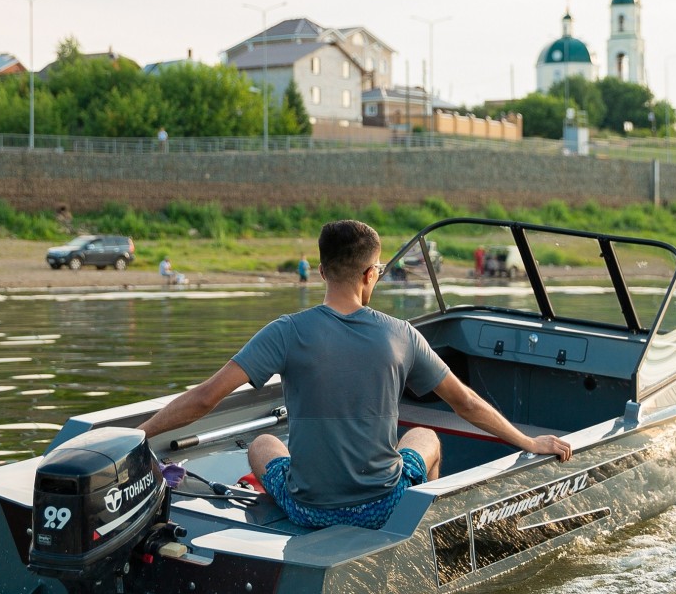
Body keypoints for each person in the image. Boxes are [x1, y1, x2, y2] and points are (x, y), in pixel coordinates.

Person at [133, 219, 572, 530]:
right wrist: (529, 442)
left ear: (321, 271)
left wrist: (140, 434)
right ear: (369, 273)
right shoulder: (402, 335)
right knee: (427, 438)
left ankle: (276, 525)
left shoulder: (285, 332)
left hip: (308, 509)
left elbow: (206, 397)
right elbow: (466, 403)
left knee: (263, 444)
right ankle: (421, 533)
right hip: (383, 504)